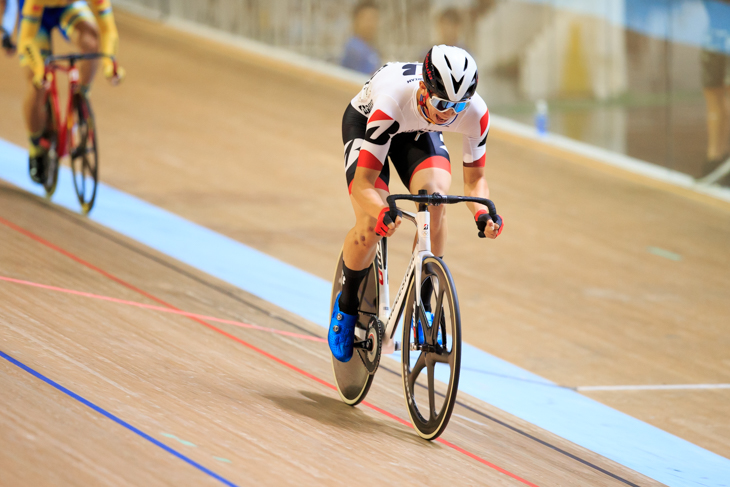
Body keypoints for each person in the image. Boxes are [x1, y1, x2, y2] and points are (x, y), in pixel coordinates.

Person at [329, 45, 503, 362]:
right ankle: (347, 306)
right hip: (371, 123)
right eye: (441, 103)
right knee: (370, 225)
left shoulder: (475, 112)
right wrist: (382, 210)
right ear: (424, 87)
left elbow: (475, 181)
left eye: (458, 105)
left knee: (436, 200)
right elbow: (363, 185)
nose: (448, 113)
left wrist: (483, 213)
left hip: (417, 130)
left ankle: (422, 305)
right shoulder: (393, 100)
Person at [6, 0, 124, 183]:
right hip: (36, 12)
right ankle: (36, 147)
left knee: (91, 41)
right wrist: (39, 70)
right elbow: (26, 41)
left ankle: (81, 95)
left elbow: (108, 29)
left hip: (67, 9)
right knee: (37, 86)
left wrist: (110, 64)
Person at [340, 0, 380, 75]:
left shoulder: (371, 49)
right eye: (368, 19)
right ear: (356, 21)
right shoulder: (354, 49)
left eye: (374, 19)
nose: (371, 24)